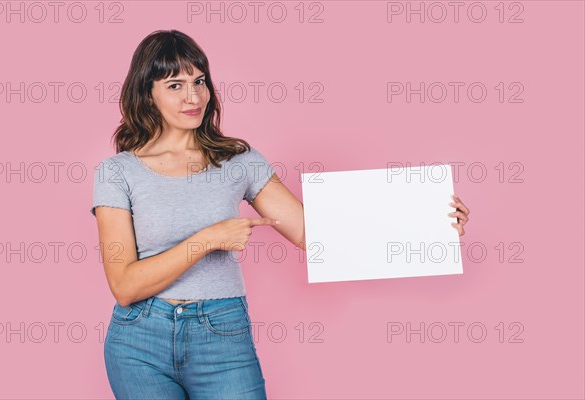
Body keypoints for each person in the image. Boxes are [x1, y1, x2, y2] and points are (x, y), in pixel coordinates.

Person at [91, 29, 471, 399]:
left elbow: (312, 234)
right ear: (147, 93)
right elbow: (125, 285)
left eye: (200, 81)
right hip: (139, 340)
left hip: (221, 332)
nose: (193, 96)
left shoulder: (239, 161)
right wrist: (208, 239)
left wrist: (427, 221)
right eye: (175, 84)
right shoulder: (117, 172)